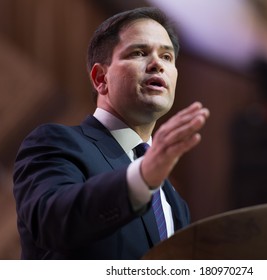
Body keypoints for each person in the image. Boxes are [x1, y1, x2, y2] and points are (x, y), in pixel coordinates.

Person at [13, 7, 209, 259]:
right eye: (139, 52)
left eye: (167, 56)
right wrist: (142, 177)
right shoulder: (56, 143)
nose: (157, 64)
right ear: (100, 78)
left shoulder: (174, 203)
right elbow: (50, 220)